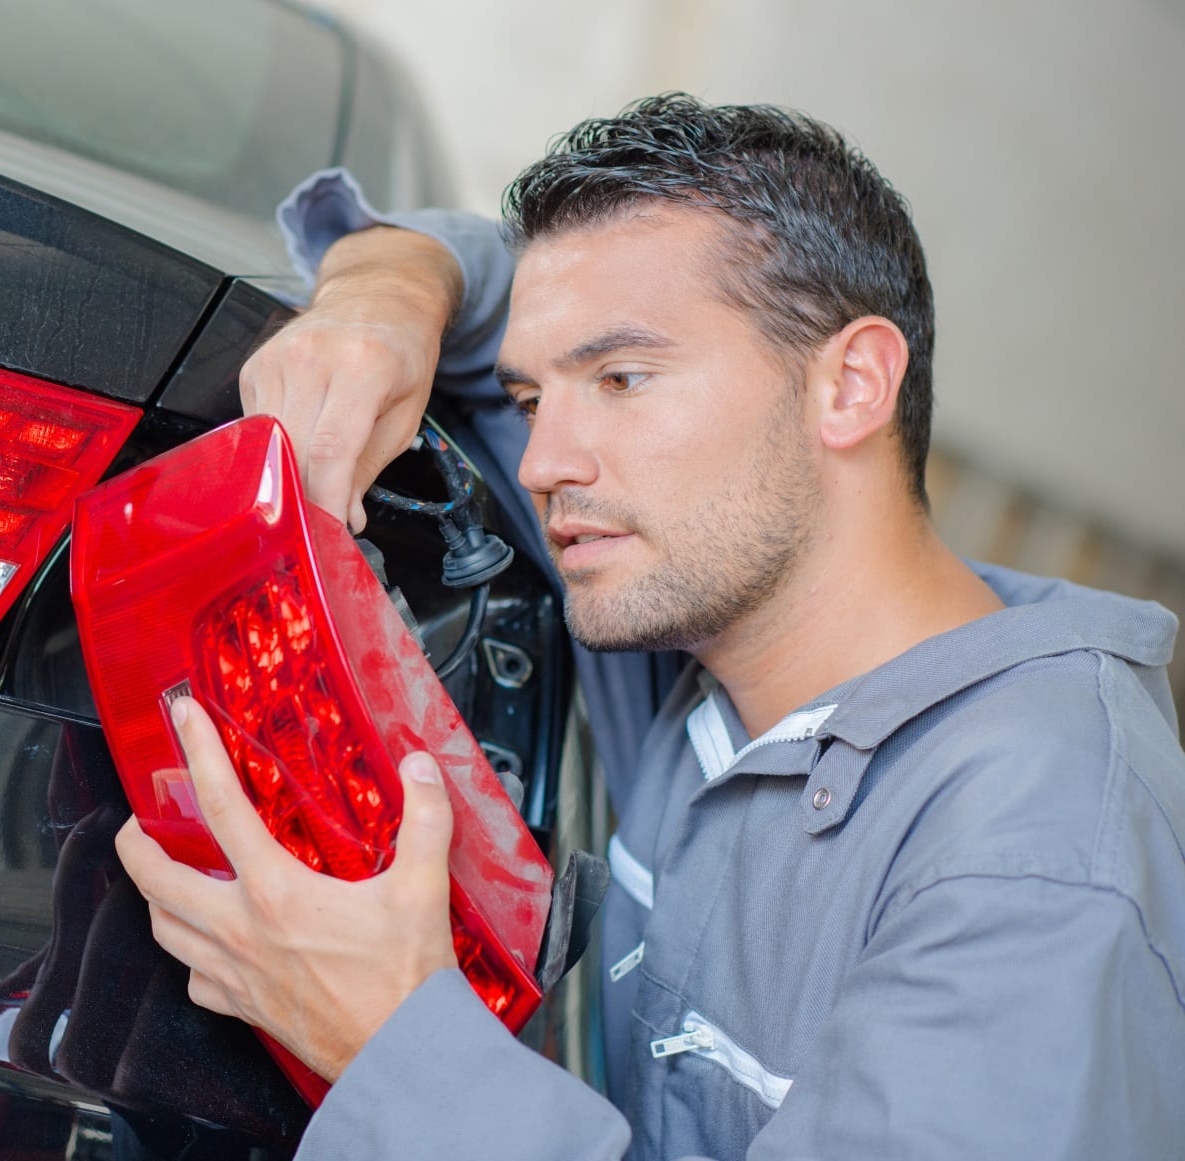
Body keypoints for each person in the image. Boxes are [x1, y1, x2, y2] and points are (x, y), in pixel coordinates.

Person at [114, 94, 1185, 1159]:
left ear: (850, 385)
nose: (540, 465)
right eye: (531, 402)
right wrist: (381, 292)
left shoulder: (1031, 858)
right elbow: (480, 283)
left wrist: (393, 1047)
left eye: (621, 380)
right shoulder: (694, 651)